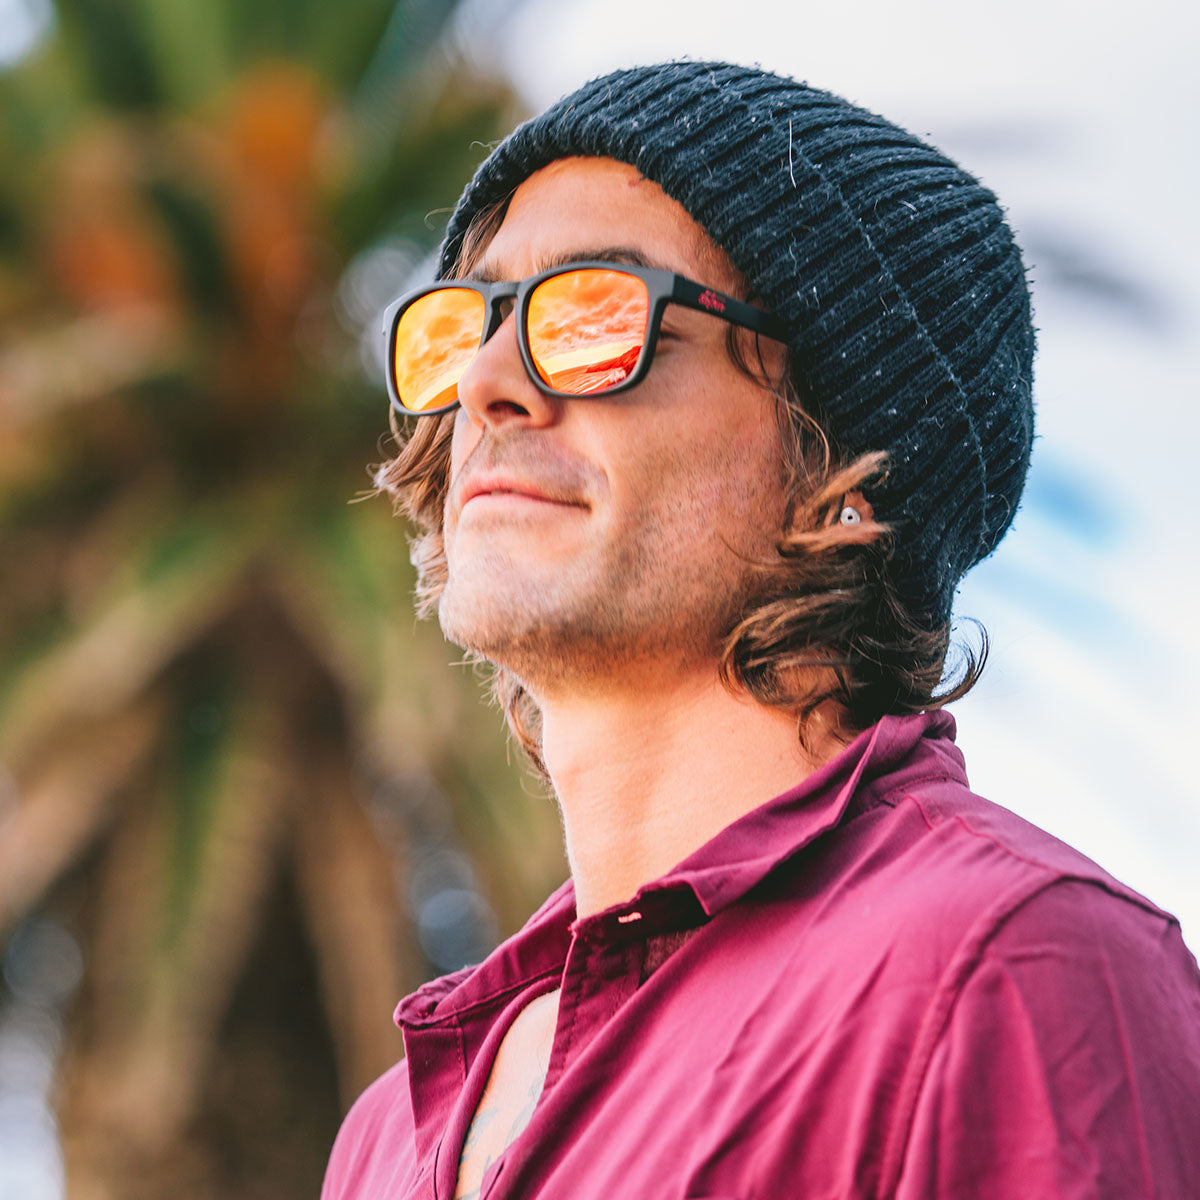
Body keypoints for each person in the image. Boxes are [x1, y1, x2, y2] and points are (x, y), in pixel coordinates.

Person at [322, 61, 1200, 1199]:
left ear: (838, 459)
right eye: (460, 330)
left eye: (593, 317)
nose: (488, 381)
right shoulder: (388, 1133)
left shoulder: (1005, 965)